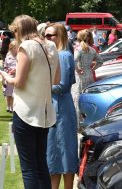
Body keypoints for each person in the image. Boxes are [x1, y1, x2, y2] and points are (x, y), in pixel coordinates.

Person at [0, 15, 60, 189]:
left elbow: (18, 82)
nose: (14, 36)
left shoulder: (26, 47)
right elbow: (56, 78)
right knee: (41, 164)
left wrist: (5, 76)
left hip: (26, 112)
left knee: (28, 168)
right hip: (45, 113)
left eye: (15, 32)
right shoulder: (51, 46)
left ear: (20, 30)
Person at [44, 23, 78, 189]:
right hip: (57, 107)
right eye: (45, 35)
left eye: (50, 35)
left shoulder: (62, 56)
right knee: (54, 154)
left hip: (61, 109)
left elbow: (63, 85)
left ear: (61, 36)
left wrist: (41, 85)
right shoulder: (58, 55)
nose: (47, 38)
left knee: (64, 152)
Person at [3, 40, 18, 113]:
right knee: (8, 94)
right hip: (8, 77)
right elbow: (5, 67)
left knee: (13, 94)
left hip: (15, 77)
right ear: (11, 48)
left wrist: (16, 70)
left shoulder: (19, 57)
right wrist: (7, 72)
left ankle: (12, 107)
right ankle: (8, 106)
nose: (16, 49)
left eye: (17, 47)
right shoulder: (7, 57)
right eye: (14, 48)